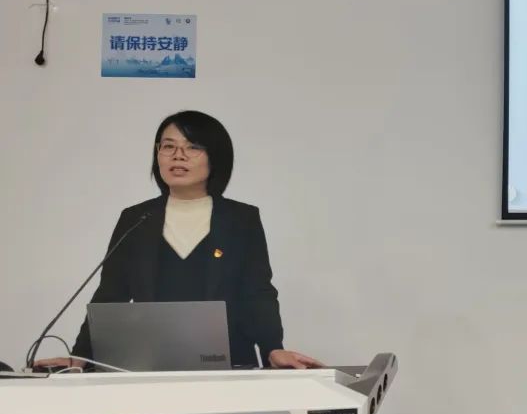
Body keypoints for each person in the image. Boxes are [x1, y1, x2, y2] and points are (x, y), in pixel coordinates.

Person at [34, 111, 322, 371]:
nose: (178, 156)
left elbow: (257, 292)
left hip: (229, 365)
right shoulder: (137, 218)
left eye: (193, 147)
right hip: (147, 365)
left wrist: (273, 348)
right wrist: (81, 356)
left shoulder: (241, 219)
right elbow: (110, 295)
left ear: (215, 156)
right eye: (168, 146)